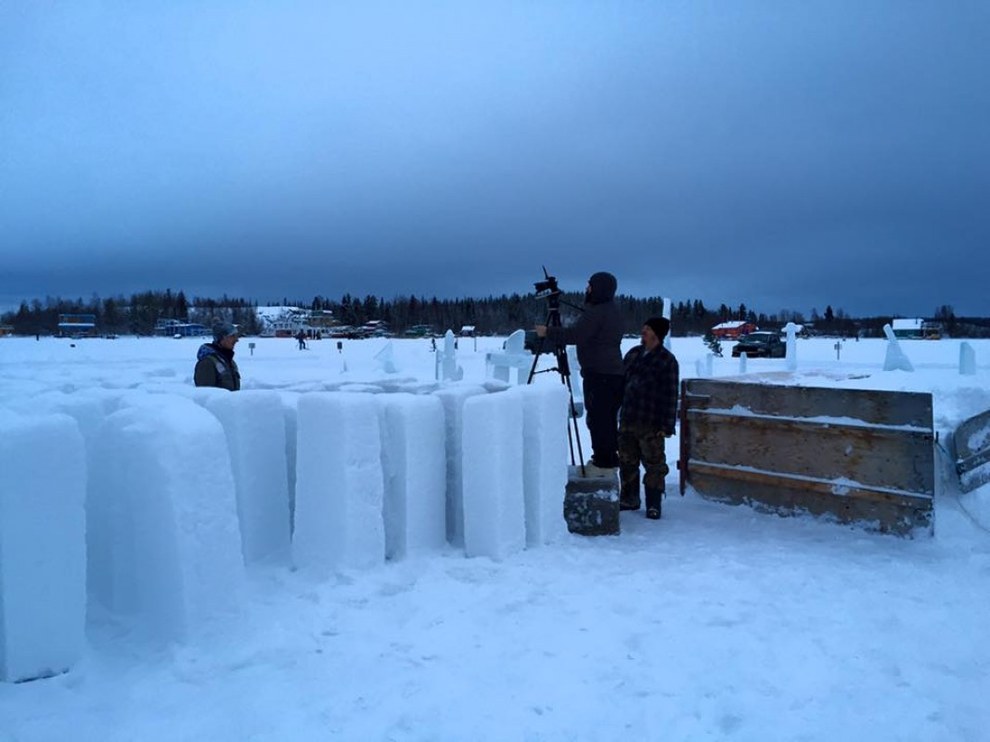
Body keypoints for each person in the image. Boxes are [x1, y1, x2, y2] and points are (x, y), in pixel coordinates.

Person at [535, 271, 625, 475]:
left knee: (599, 420)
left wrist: (547, 332)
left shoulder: (598, 311)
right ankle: (607, 460)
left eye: (590, 286)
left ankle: (603, 464)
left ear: (599, 288)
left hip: (600, 374)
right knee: (606, 419)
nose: (587, 289)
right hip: (610, 374)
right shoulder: (609, 309)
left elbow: (576, 334)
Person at [618, 317, 679, 519]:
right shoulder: (633, 354)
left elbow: (671, 395)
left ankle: (653, 504)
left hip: (651, 423)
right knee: (627, 462)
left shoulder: (667, 360)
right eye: (643, 328)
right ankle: (629, 498)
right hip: (628, 419)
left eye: (648, 329)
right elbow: (620, 381)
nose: (643, 331)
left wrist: (667, 425)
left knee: (654, 466)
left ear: (657, 334)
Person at [194, 322, 241, 391]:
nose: (236, 340)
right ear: (221, 339)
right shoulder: (208, 363)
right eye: (232, 336)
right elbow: (206, 395)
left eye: (236, 336)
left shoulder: (229, 361)